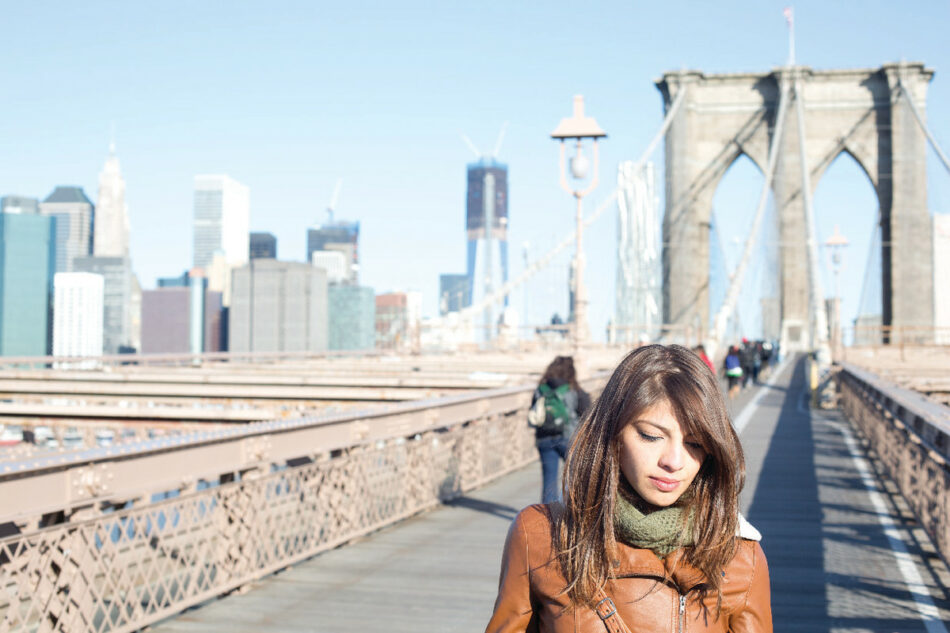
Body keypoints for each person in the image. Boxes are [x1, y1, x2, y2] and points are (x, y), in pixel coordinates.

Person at [488, 344, 771, 633]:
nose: (674, 461)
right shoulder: (539, 536)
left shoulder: (739, 558)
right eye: (651, 436)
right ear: (613, 433)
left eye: (695, 444)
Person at [529, 356, 591, 504]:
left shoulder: (541, 390)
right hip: (569, 439)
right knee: (575, 478)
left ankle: (548, 519)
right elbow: (587, 414)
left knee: (549, 482)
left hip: (544, 439)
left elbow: (534, 414)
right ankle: (572, 513)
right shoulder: (575, 390)